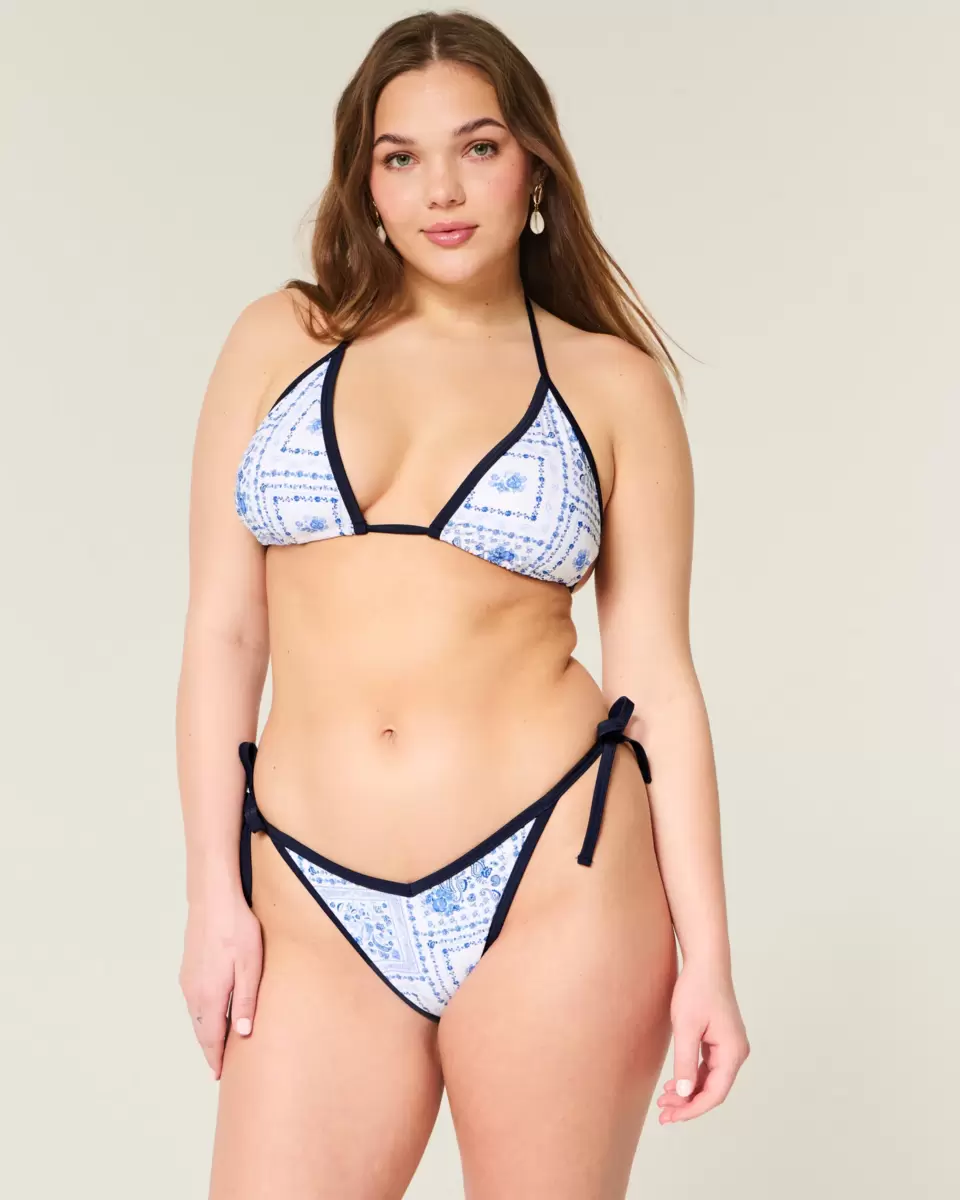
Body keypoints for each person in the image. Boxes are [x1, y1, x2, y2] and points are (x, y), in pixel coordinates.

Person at [176, 10, 749, 1198]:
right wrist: (212, 897)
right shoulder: (279, 340)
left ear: (534, 163)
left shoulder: (611, 383)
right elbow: (225, 633)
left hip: (554, 882)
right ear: (366, 181)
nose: (441, 188)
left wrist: (710, 960)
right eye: (402, 156)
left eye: (478, 147)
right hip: (310, 898)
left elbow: (657, 682)